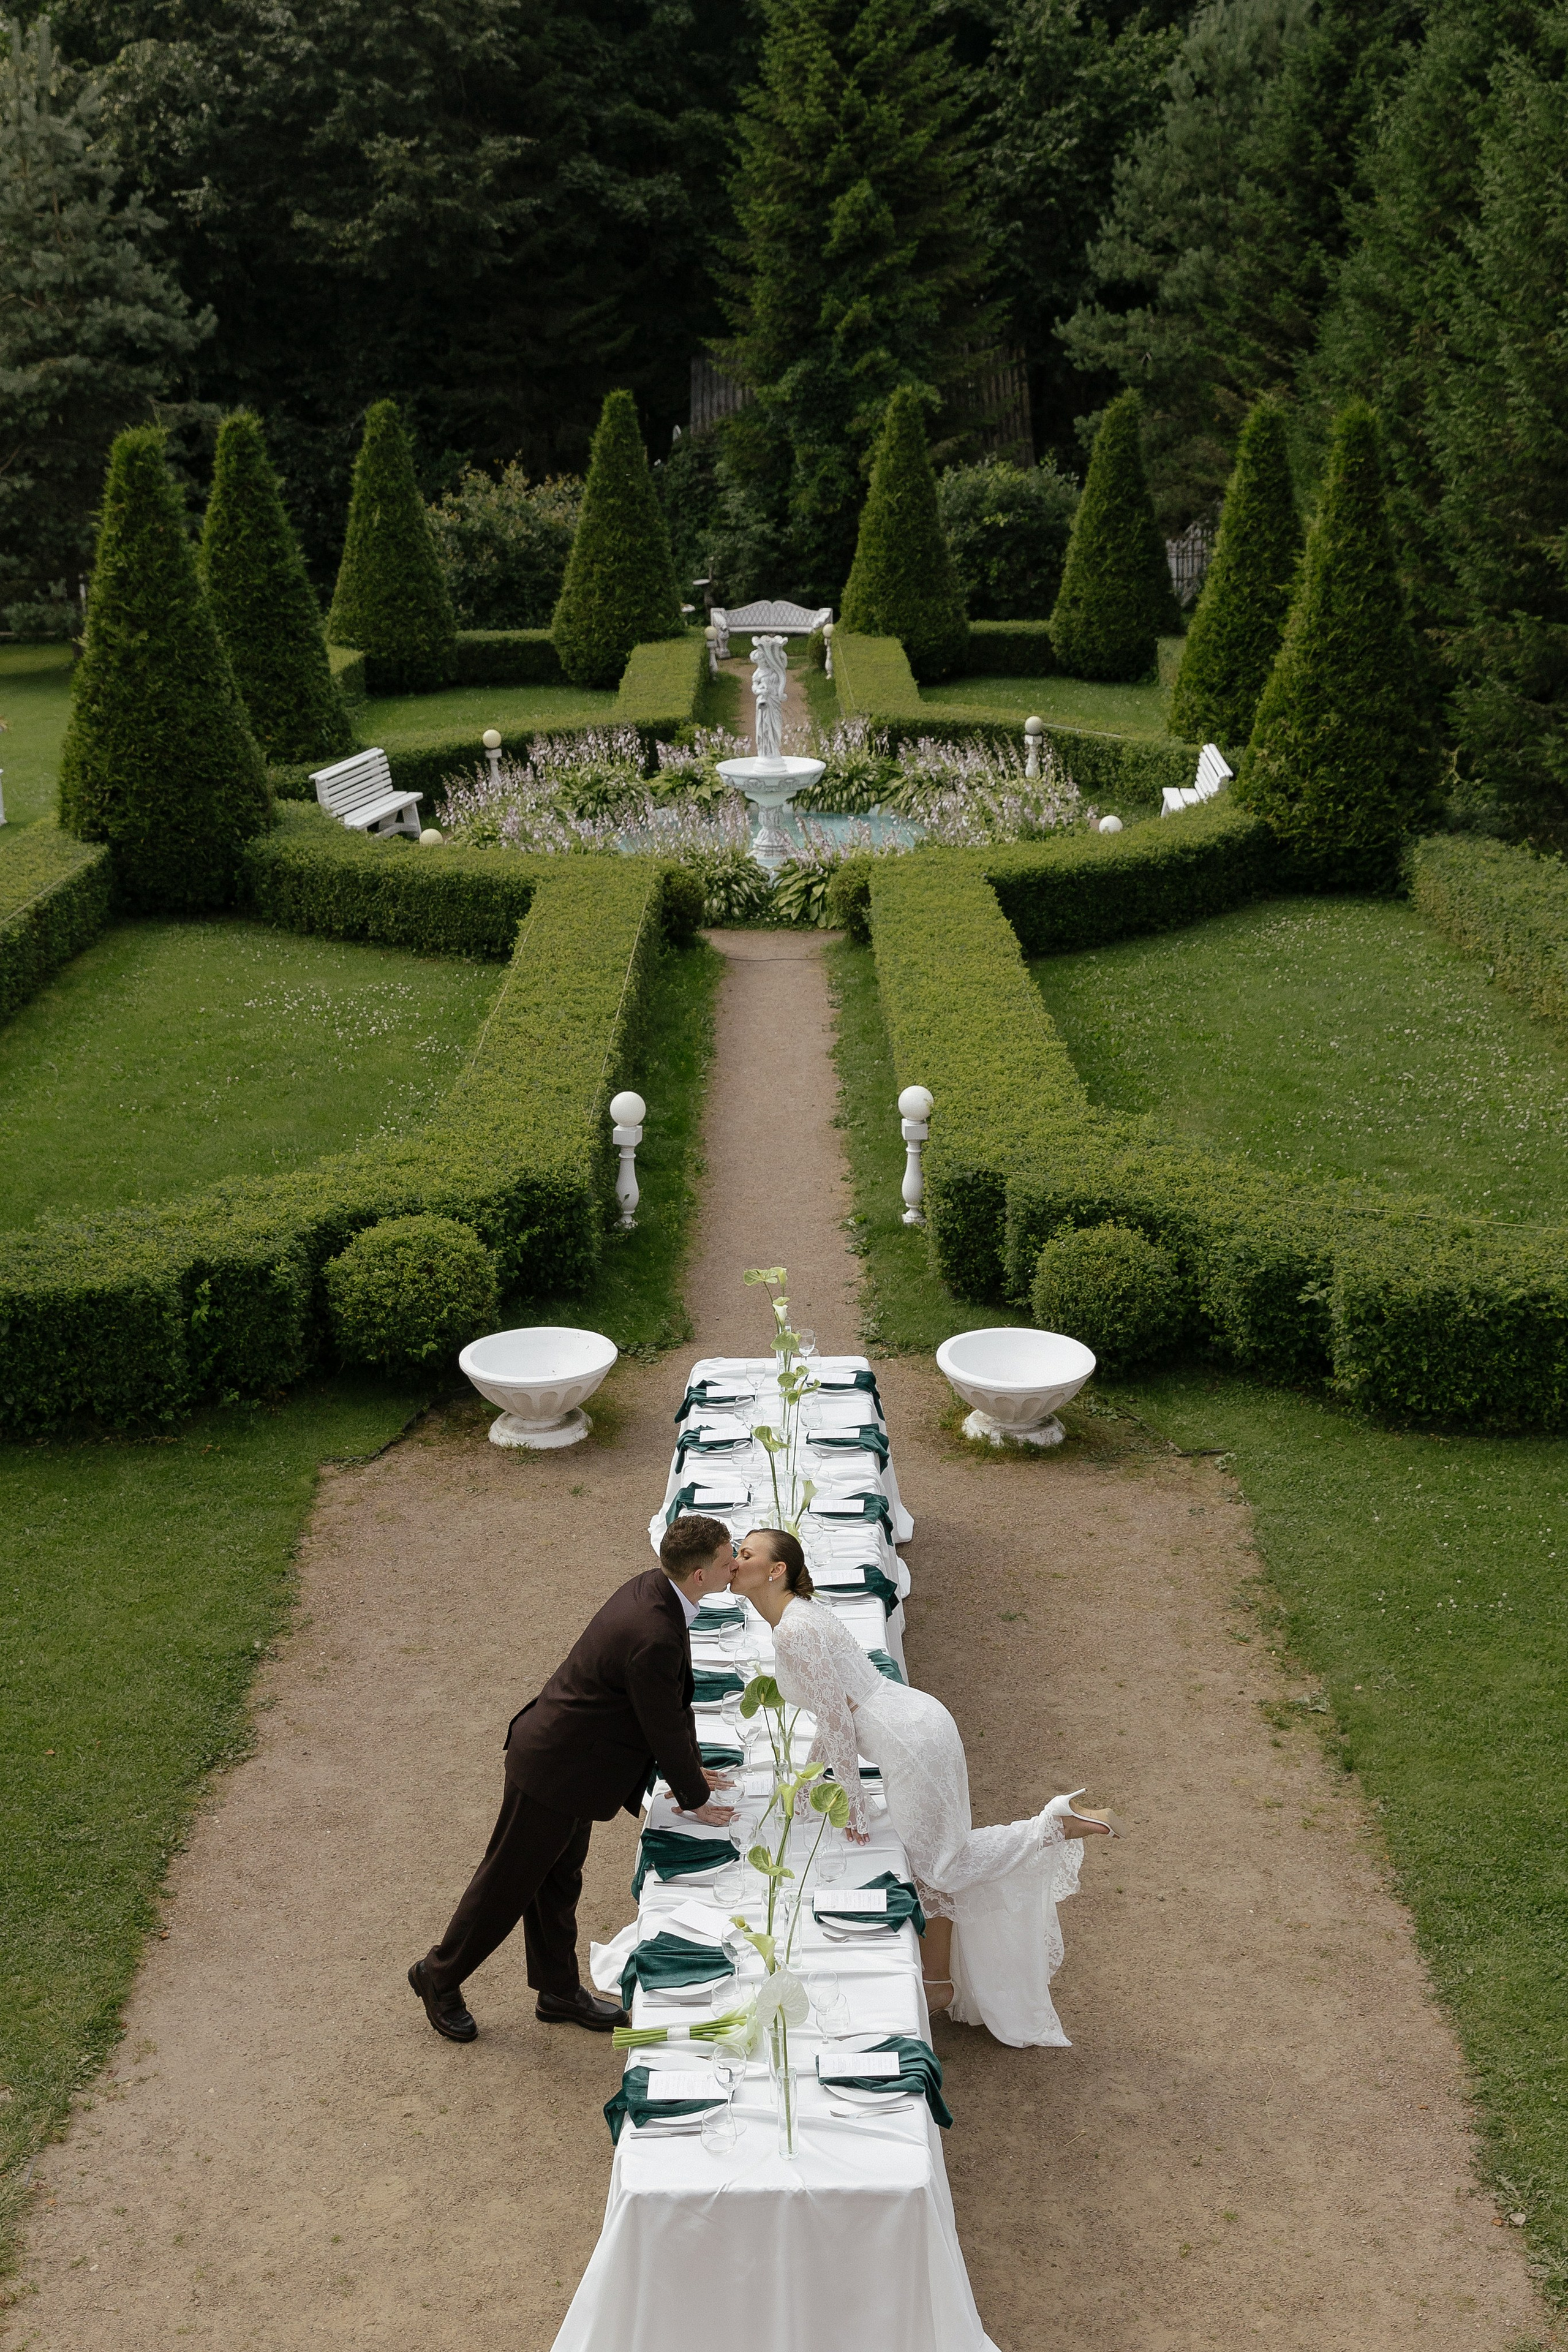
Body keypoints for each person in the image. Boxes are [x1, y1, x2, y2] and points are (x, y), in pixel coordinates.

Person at [729, 1527, 1117, 2050]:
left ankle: (1053, 1826)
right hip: (913, 1725)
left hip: (911, 1741)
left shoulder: (792, 1629)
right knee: (926, 1863)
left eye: (746, 1553)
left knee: (943, 1864)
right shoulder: (796, 1617)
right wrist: (808, 1781)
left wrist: (854, 1801)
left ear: (775, 1571)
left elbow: (841, 1722)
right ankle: (938, 1984)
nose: (735, 1560)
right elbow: (835, 1712)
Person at [408, 1517, 739, 2043]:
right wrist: (694, 1797)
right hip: (555, 1768)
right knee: (506, 1885)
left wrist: (691, 1768)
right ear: (699, 1575)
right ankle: (438, 1975)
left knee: (559, 1882)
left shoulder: (656, 1591)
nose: (737, 1564)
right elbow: (662, 1724)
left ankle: (558, 1990)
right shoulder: (654, 1631)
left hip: (576, 1768)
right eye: (728, 1560)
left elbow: (671, 1702)